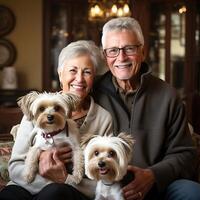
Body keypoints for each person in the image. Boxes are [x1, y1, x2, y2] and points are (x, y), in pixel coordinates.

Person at [92, 17, 200, 200]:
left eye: (129, 49)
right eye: (113, 51)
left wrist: (152, 175)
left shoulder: (168, 96)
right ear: (105, 56)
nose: (121, 57)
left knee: (192, 192)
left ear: (143, 51)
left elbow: (185, 153)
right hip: (106, 187)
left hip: (158, 187)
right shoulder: (93, 93)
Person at [0, 40, 113, 200]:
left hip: (71, 191)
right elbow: (15, 167)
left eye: (87, 72)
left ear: (93, 78)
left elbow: (104, 180)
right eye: (72, 70)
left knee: (54, 194)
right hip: (25, 184)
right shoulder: (36, 110)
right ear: (61, 74)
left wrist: (64, 180)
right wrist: (44, 175)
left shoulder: (103, 119)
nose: (79, 79)